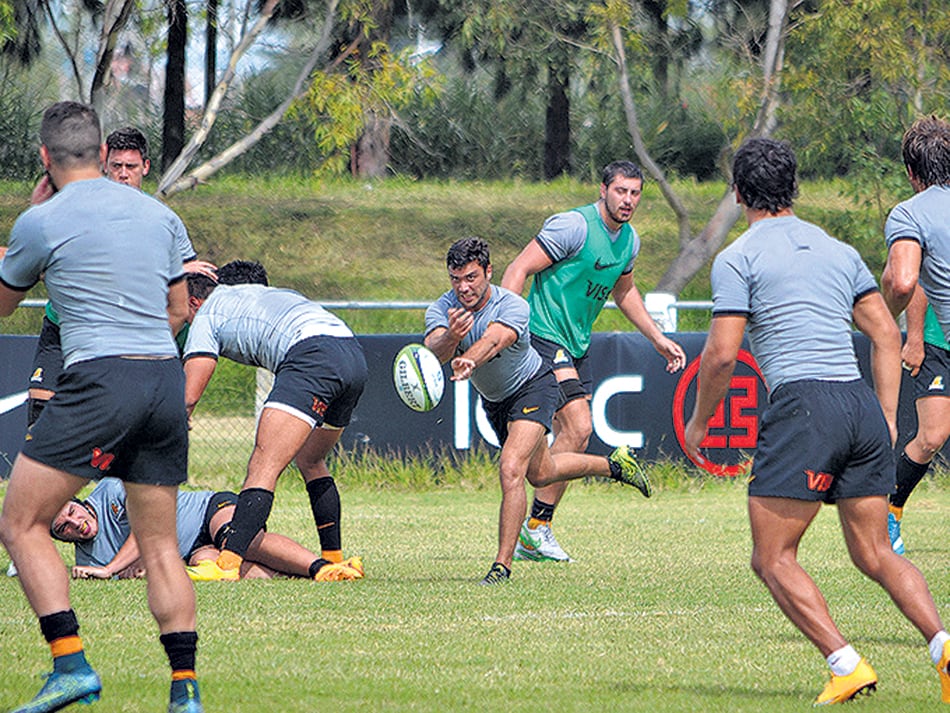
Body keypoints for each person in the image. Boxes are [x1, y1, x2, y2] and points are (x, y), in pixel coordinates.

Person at [684, 137, 949, 705]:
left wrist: (699, 424)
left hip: (804, 406)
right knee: (876, 553)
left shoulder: (738, 257)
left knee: (773, 557)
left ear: (738, 193)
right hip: (857, 404)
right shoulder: (839, 252)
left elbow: (723, 354)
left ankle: (845, 663)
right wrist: (882, 415)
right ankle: (943, 645)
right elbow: (884, 333)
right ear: (795, 189)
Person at [0, 101, 203, 713]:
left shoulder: (42, 220)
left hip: (98, 379)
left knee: (19, 521)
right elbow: (177, 311)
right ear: (99, 153)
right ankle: (184, 691)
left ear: (45, 158)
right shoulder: (161, 215)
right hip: (163, 380)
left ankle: (70, 664)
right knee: (160, 544)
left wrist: (32, 215)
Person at [425, 237, 653, 585]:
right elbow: (432, 350)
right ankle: (615, 466)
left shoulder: (512, 304)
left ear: (489, 272)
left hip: (535, 386)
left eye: (471, 277)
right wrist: (451, 338)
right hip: (496, 402)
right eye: (456, 279)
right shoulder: (443, 309)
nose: (463, 287)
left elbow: (496, 339)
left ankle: (502, 566)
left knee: (511, 466)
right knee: (541, 473)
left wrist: (469, 357)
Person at [501, 161, 686, 562]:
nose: (628, 200)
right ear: (603, 189)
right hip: (541, 336)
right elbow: (518, 269)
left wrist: (658, 339)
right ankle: (545, 521)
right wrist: (505, 327)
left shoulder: (629, 241)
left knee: (556, 452)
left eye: (635, 193)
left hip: (575, 343)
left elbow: (625, 293)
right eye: (621, 191)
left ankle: (536, 528)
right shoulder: (573, 227)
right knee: (580, 425)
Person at [180, 261, 366, 583]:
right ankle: (335, 562)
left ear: (193, 301)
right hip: (352, 354)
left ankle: (226, 565)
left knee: (263, 465)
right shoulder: (272, 295)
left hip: (311, 355)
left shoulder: (208, 312)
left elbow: (190, 394)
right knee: (311, 460)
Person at [24, 124, 216, 430]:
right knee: (41, 415)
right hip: (65, 325)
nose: (123, 174)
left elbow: (187, 291)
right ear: (104, 166)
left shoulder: (164, 221)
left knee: (123, 429)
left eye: (131, 166)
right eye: (116, 166)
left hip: (124, 336)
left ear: (145, 168)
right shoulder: (77, 207)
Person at [880, 116, 950, 557]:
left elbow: (903, 282)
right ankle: (892, 509)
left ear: (911, 172)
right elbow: (919, 281)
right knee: (931, 436)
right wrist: (914, 336)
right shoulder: (916, 218)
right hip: (939, 343)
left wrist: (881, 319)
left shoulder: (908, 213)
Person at [49, 477, 325, 580]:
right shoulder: (87, 560)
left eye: (72, 512)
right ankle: (293, 576)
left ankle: (322, 568)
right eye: (64, 528)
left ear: (80, 502)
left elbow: (147, 528)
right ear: (62, 539)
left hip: (208, 510)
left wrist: (110, 570)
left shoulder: (110, 488)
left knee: (239, 541)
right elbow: (136, 570)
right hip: (192, 551)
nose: (75, 524)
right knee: (212, 566)